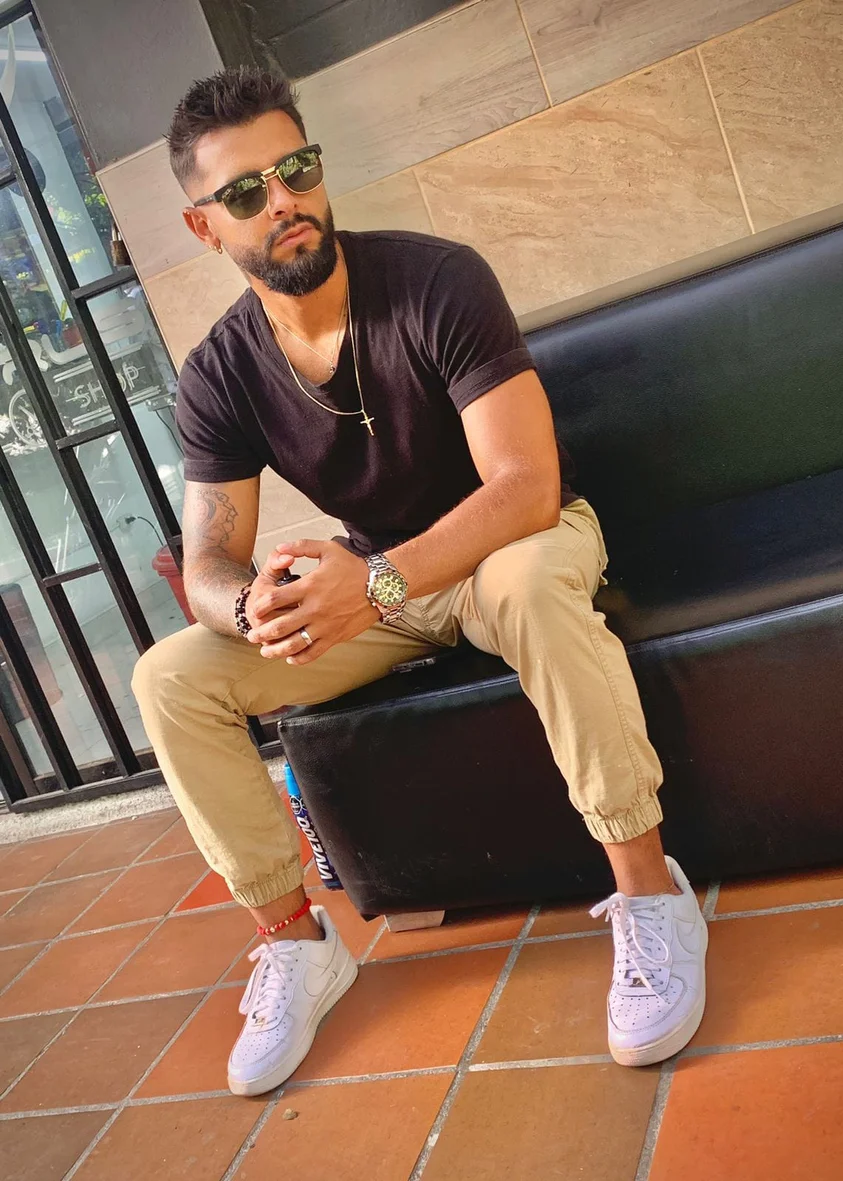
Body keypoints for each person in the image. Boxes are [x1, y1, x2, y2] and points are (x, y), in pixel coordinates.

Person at [133, 66, 707, 1098]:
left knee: (526, 585)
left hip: (510, 547)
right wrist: (253, 605)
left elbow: (525, 486)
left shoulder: (436, 280)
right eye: (247, 191)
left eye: (297, 168)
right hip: (383, 590)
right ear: (202, 226)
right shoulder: (218, 373)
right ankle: (296, 944)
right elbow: (209, 560)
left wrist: (376, 583)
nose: (285, 201)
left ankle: (650, 894)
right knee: (170, 677)